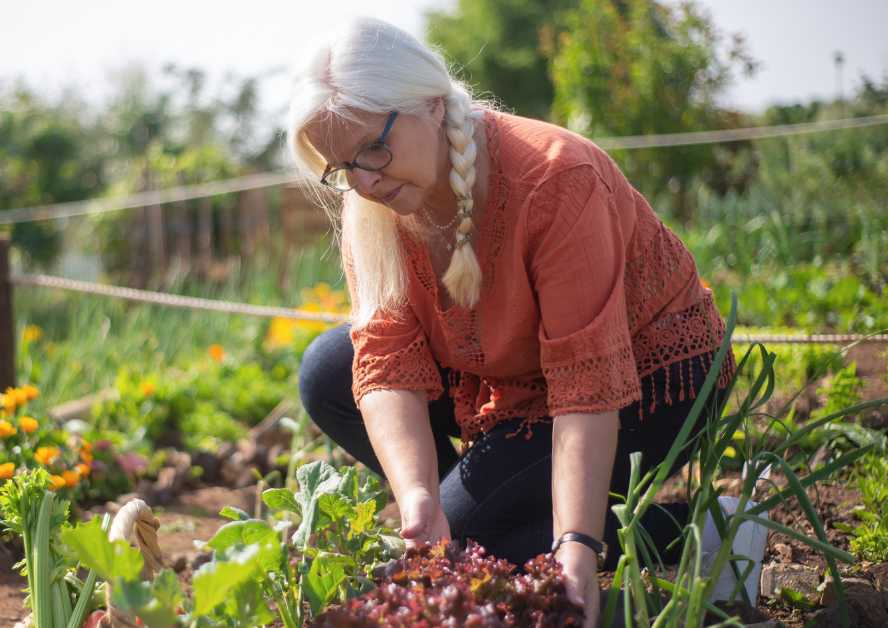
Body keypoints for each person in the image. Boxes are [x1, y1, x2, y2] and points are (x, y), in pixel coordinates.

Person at [287, 17, 750, 626]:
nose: (364, 182)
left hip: (650, 380)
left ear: (428, 103)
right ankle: (496, 521)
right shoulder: (372, 204)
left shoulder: (556, 178)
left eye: (374, 148)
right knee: (329, 370)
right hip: (514, 383)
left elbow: (586, 387)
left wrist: (577, 551)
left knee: (476, 539)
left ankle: (707, 528)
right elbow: (387, 354)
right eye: (342, 166)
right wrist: (420, 497)